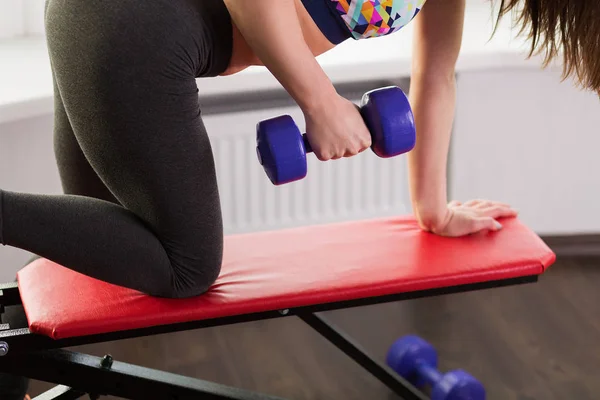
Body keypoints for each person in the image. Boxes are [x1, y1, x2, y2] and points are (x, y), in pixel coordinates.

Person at [1, 0, 598, 398]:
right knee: (185, 267)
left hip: (93, 17)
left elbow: (435, 80)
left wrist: (433, 210)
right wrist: (320, 103)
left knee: (95, 268)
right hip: (136, 31)